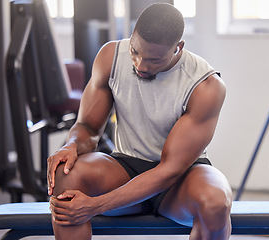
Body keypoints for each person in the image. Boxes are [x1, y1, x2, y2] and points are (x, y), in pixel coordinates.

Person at [48, 3, 232, 240]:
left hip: (180, 180)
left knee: (215, 203)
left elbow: (168, 170)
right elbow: (88, 128)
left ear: (178, 48)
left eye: (154, 60)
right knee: (66, 171)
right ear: (132, 35)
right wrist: (71, 144)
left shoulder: (205, 86)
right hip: (124, 169)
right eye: (135, 51)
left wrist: (95, 205)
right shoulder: (110, 57)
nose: (141, 65)